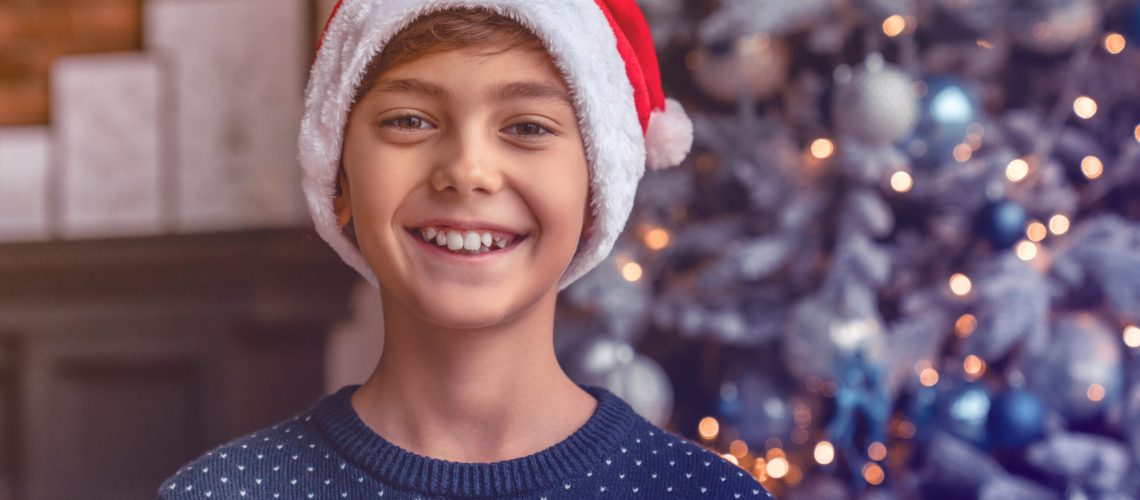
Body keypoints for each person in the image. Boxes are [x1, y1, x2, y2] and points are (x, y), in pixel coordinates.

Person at [158, 1, 775, 498]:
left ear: (599, 189)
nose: (468, 170)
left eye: (528, 127)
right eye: (409, 120)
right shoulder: (224, 492)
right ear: (337, 177)